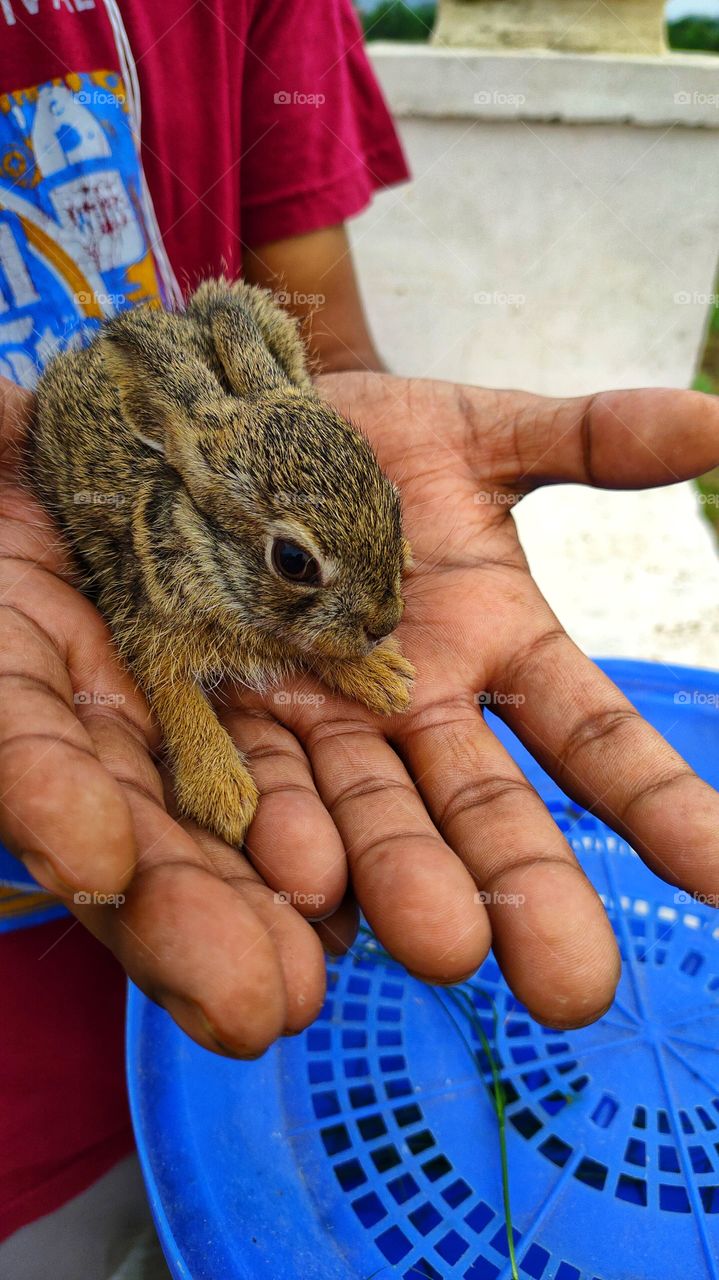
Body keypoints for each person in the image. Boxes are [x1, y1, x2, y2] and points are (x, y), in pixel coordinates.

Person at [2, 1, 719, 1275]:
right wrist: (202, 745)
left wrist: (343, 619)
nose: (376, 615)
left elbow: (314, 318)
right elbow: (166, 658)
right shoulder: (172, 549)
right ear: (225, 528)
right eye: (295, 569)